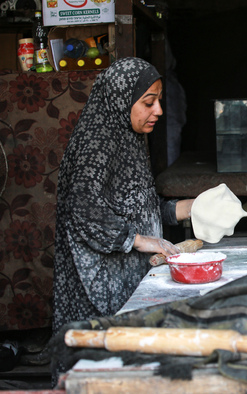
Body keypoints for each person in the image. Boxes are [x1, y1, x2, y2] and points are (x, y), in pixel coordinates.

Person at [53, 57, 194, 333]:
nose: (160, 111)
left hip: (126, 281)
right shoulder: (97, 142)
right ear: (120, 99)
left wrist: (189, 208)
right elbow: (83, 207)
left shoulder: (128, 137)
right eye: (148, 102)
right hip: (97, 286)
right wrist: (138, 240)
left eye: (159, 101)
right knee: (100, 361)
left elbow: (135, 205)